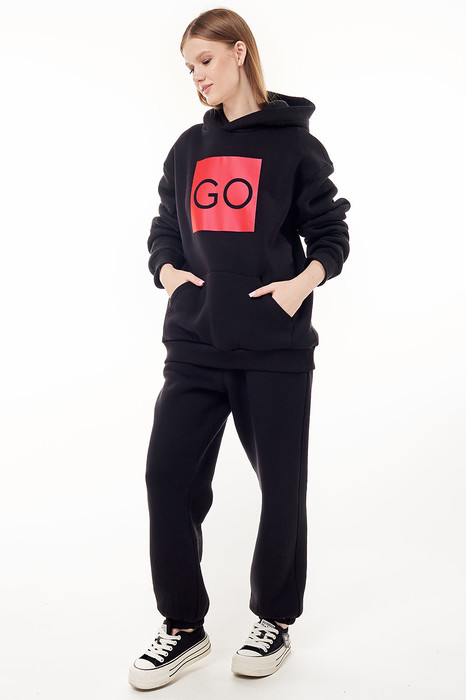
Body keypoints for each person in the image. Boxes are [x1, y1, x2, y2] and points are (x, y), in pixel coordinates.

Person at [128, 7, 351, 691]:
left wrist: (299, 286)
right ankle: (183, 628)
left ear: (239, 53)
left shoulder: (295, 147)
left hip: (273, 349)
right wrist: (168, 271)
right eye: (188, 67)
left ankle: (274, 620)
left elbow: (331, 233)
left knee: (281, 488)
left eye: (205, 61)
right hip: (195, 344)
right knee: (167, 478)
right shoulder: (188, 148)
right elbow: (165, 226)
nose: (196, 77)